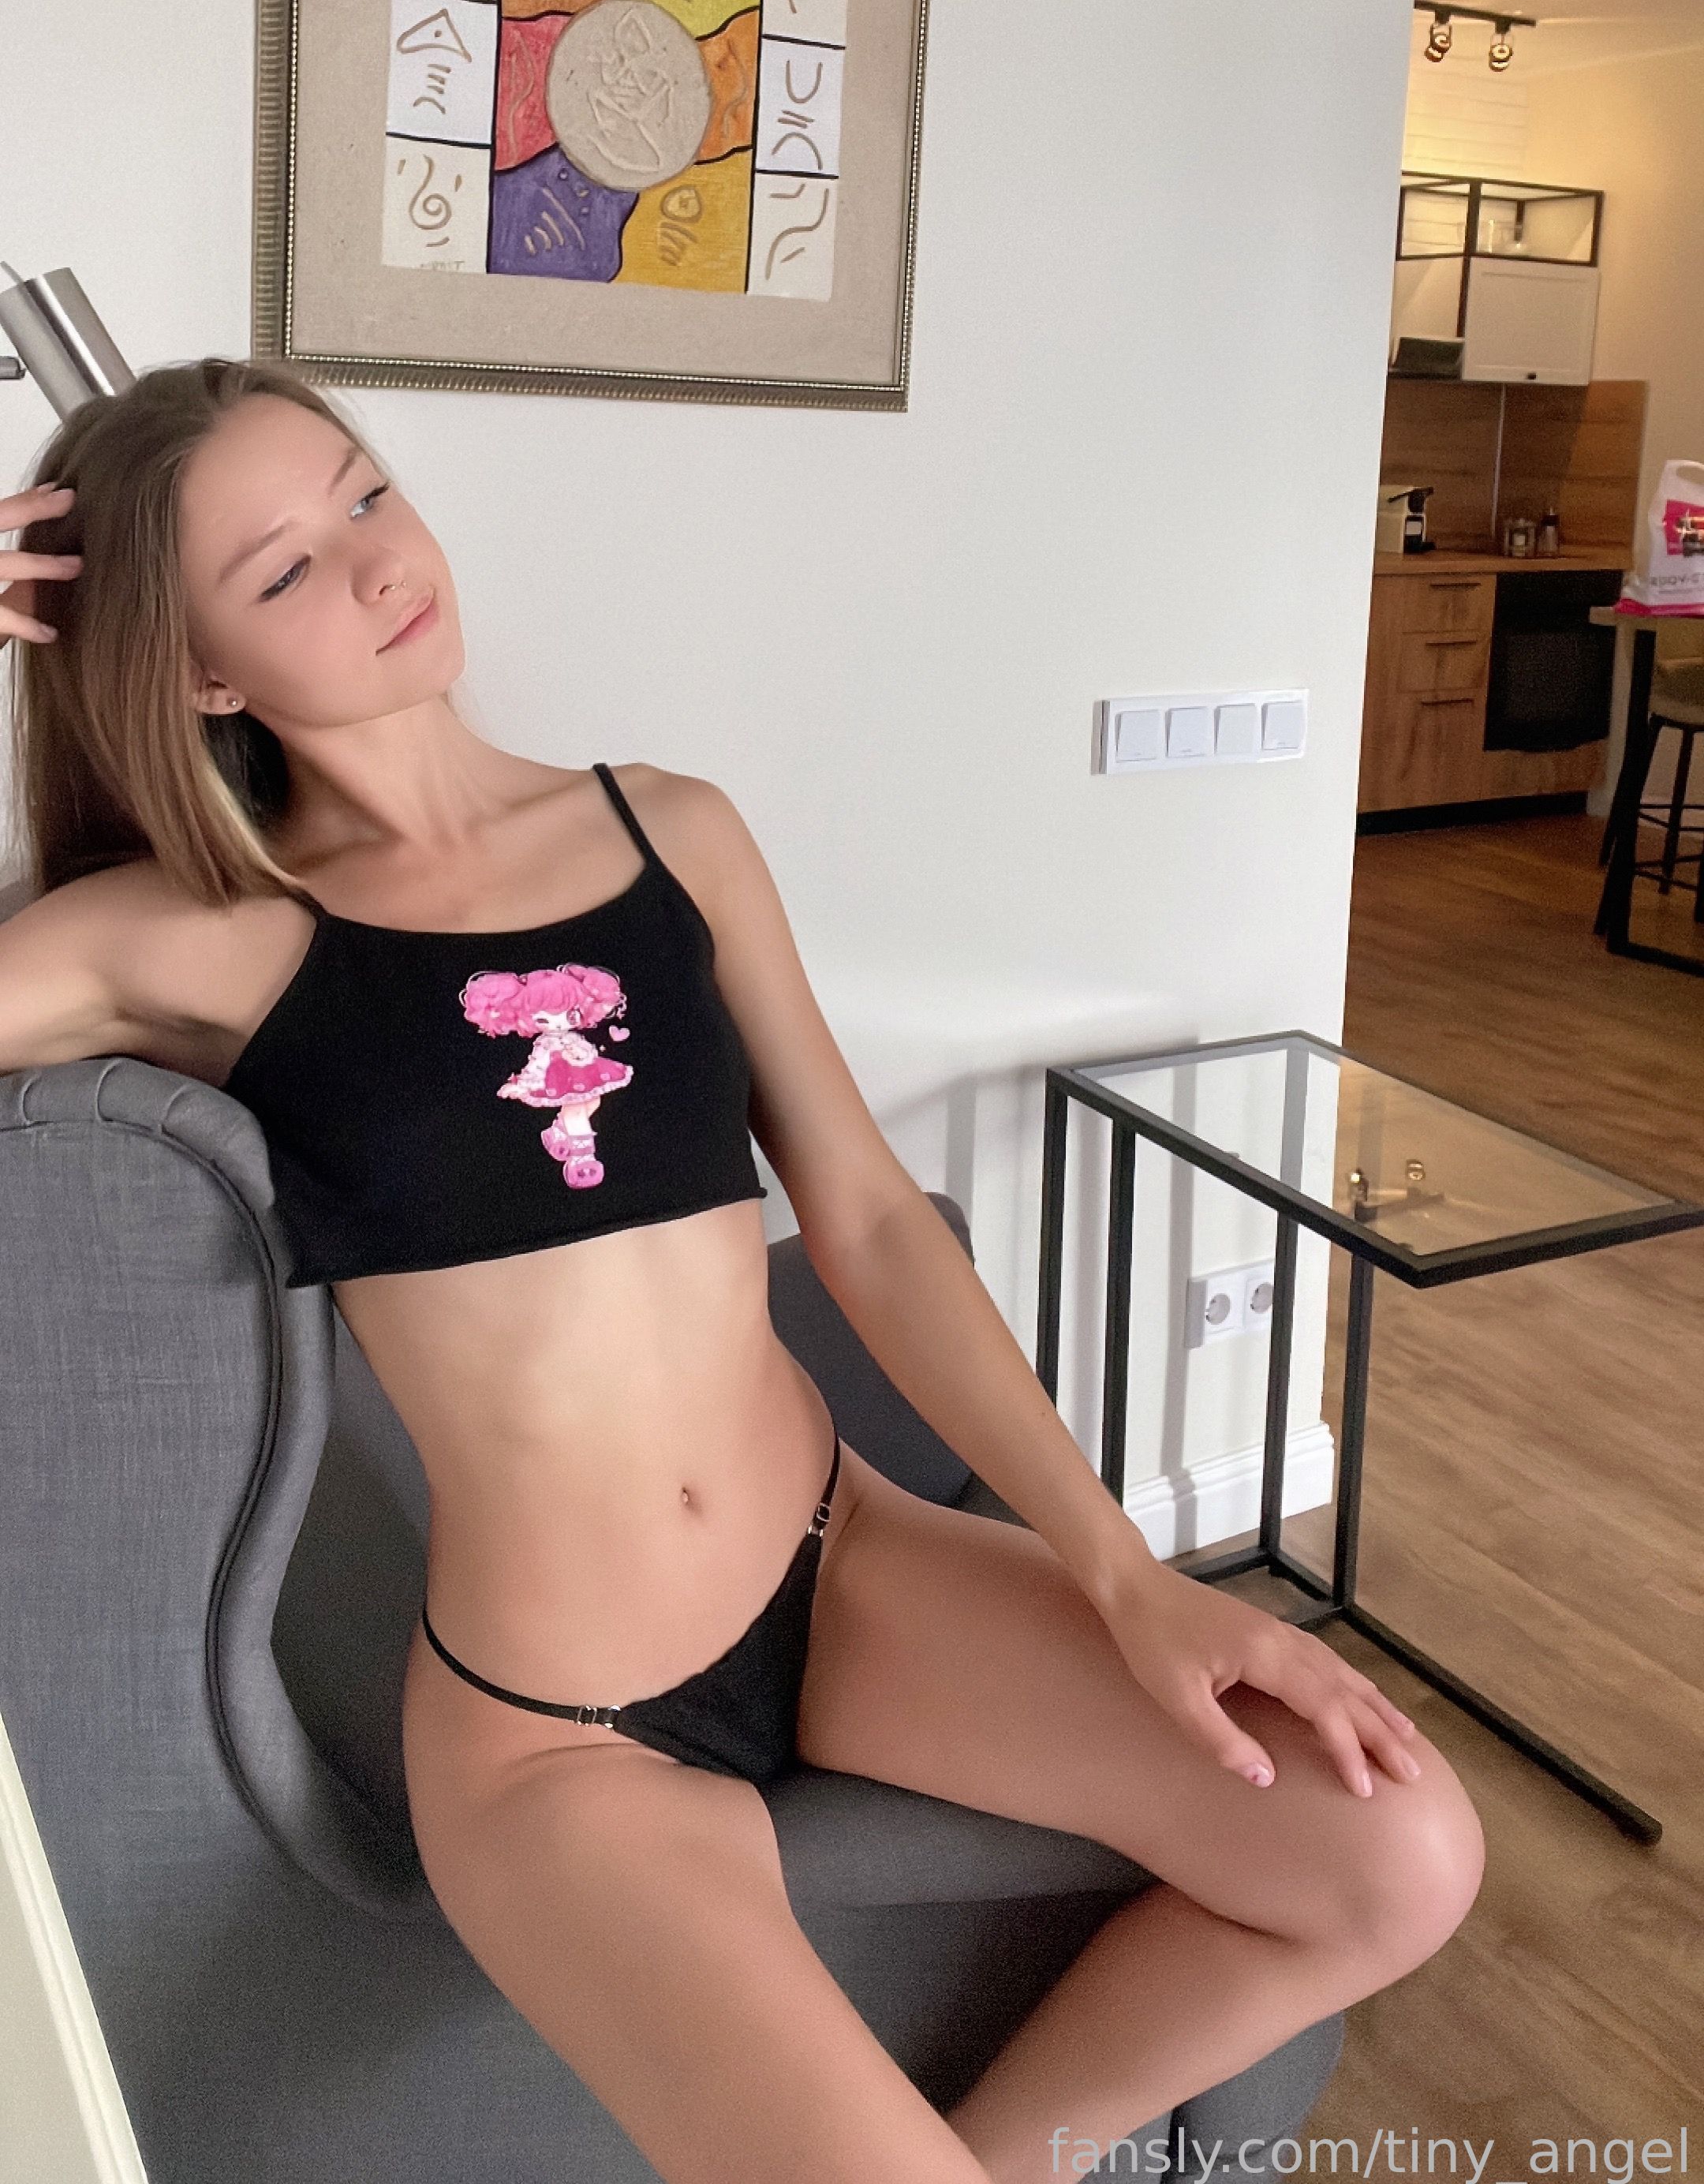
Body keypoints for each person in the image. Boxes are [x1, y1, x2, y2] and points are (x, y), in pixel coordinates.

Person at [0, 358, 1483, 2184]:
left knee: (1401, 1853)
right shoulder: (189, 939)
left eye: (365, 492)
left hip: (848, 1571)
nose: (377, 562)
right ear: (199, 673)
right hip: (566, 1740)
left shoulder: (667, 827)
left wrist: (1126, 1578)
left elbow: (868, 1220)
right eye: (285, 567)